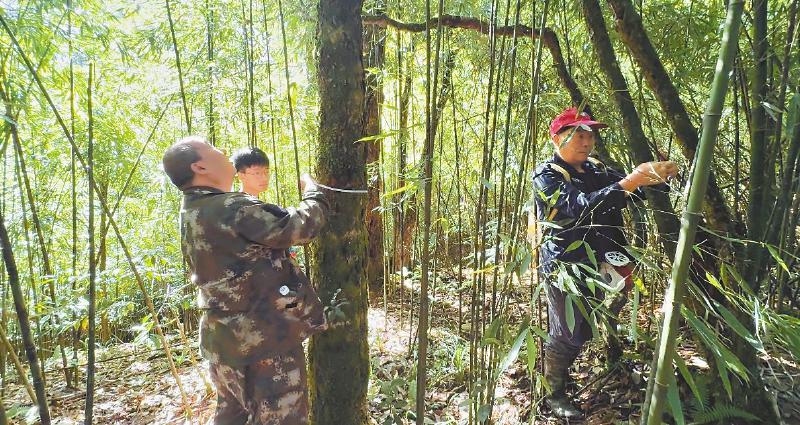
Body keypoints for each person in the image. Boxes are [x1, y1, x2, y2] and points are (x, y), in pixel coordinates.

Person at [162, 136, 328, 424]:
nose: (223, 151)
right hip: (263, 343)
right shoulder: (231, 207)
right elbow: (299, 227)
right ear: (200, 167)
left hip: (223, 344)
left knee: (232, 416)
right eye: (213, 149)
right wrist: (314, 193)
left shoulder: (192, 210)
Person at [530, 107, 678, 418]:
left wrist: (659, 177)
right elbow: (578, 207)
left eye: (590, 136)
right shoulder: (547, 175)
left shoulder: (597, 168)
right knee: (568, 331)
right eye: (578, 136)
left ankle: (597, 360)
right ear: (556, 139)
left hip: (603, 260)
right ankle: (553, 392)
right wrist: (631, 181)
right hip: (566, 265)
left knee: (589, 324)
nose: (587, 142)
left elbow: (632, 193)